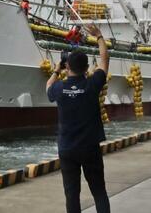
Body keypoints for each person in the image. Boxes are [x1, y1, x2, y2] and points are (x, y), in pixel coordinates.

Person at [47, 23, 111, 213]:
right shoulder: (92, 85)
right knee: (99, 192)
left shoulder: (58, 89)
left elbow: (48, 86)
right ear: (86, 68)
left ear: (67, 67)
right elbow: (104, 62)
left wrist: (57, 70)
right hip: (89, 147)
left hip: (67, 148)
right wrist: (99, 36)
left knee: (71, 194)